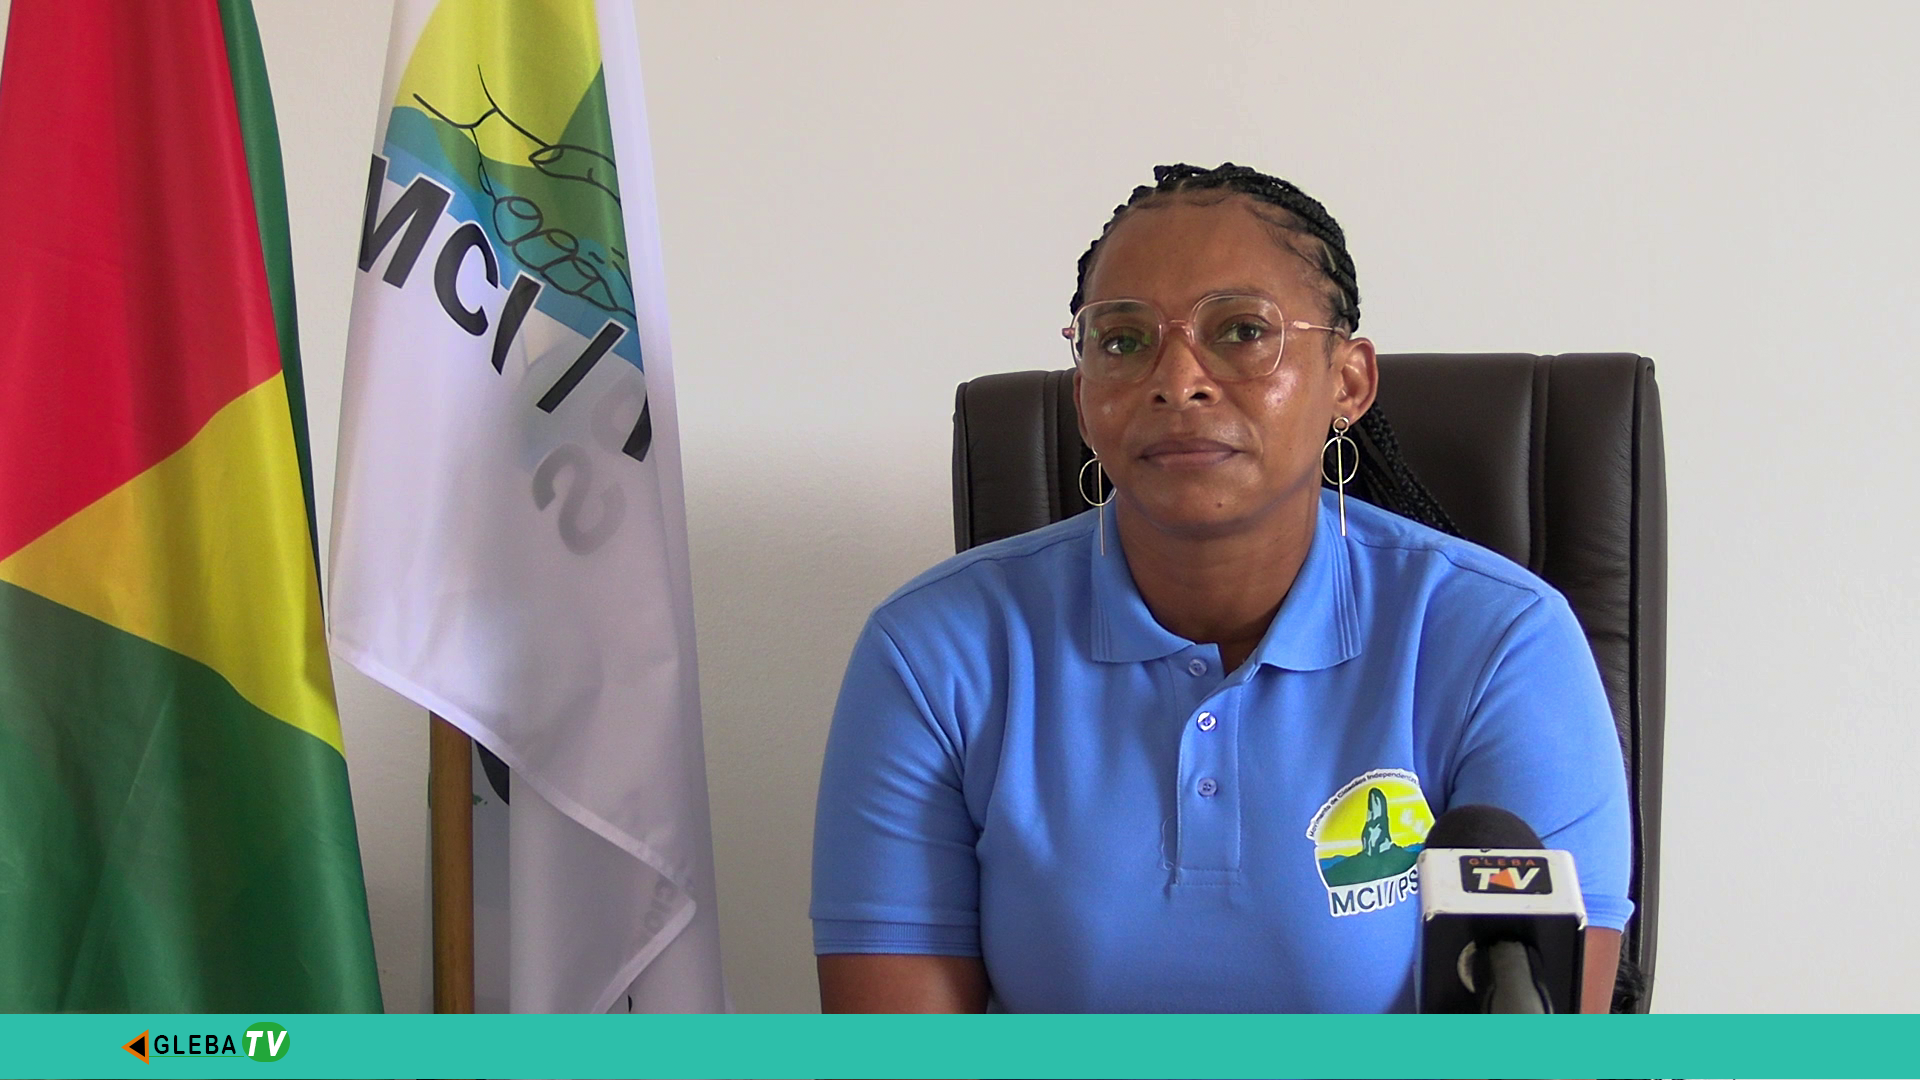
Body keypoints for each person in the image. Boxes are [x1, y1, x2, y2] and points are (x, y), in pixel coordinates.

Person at [810, 163, 1631, 1012]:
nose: (1178, 380)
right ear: (1085, 398)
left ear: (1348, 382)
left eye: (1241, 331)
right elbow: (900, 1057)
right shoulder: (932, 654)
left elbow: (1536, 1045)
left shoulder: (1503, 642)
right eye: (1122, 341)